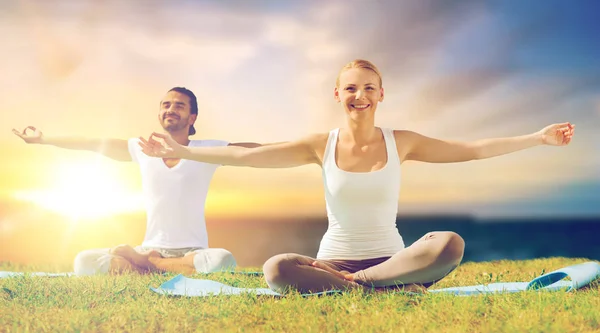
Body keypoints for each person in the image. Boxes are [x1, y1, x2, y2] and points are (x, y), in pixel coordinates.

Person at [137, 60, 575, 293]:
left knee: (449, 243)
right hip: (334, 261)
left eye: (368, 88)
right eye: (350, 87)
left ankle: (360, 286)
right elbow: (253, 158)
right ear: (338, 95)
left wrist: (537, 137)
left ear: (381, 95)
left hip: (393, 259)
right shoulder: (319, 144)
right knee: (277, 269)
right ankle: (371, 287)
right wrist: (181, 150)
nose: (359, 95)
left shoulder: (401, 141)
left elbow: (473, 150)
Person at [12, 87, 265, 276]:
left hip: (192, 253)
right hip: (149, 247)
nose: (170, 109)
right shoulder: (143, 149)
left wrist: (302, 150)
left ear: (192, 118)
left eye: (179, 105)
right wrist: (45, 139)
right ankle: (155, 264)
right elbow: (93, 143)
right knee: (84, 261)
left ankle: (146, 265)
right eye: (166, 104)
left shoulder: (207, 149)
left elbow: (254, 153)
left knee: (222, 261)